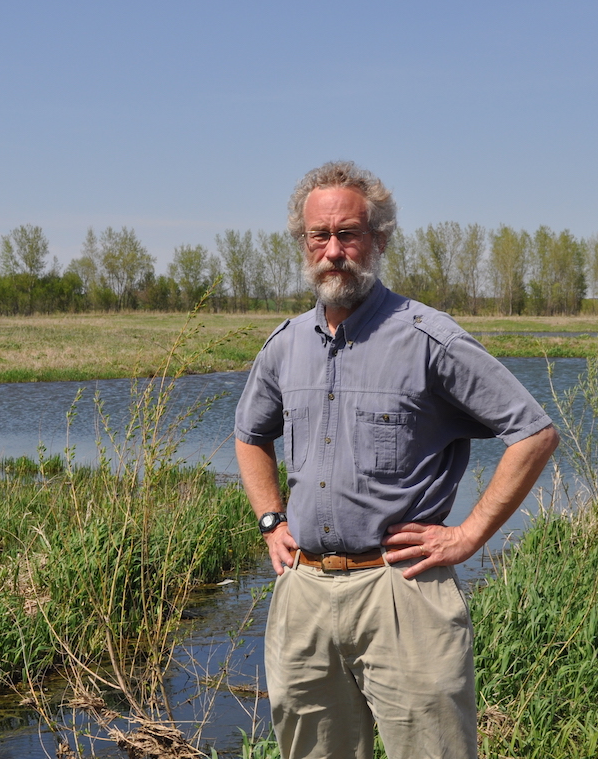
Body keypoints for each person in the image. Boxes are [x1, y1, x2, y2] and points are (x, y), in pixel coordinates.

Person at [234, 161, 559, 759]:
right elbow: (249, 435)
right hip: (304, 592)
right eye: (319, 237)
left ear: (378, 239)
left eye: (349, 234)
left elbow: (533, 432)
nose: (334, 251)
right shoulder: (284, 347)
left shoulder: (428, 339)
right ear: (303, 245)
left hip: (402, 589)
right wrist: (270, 521)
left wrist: (467, 535)